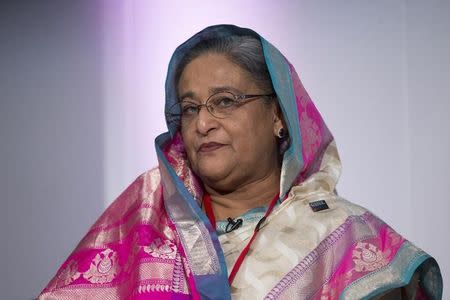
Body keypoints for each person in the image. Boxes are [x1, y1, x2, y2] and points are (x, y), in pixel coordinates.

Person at [38, 24, 442, 299]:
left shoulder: (346, 240)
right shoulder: (144, 221)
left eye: (225, 101)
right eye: (190, 108)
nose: (202, 123)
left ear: (279, 116)